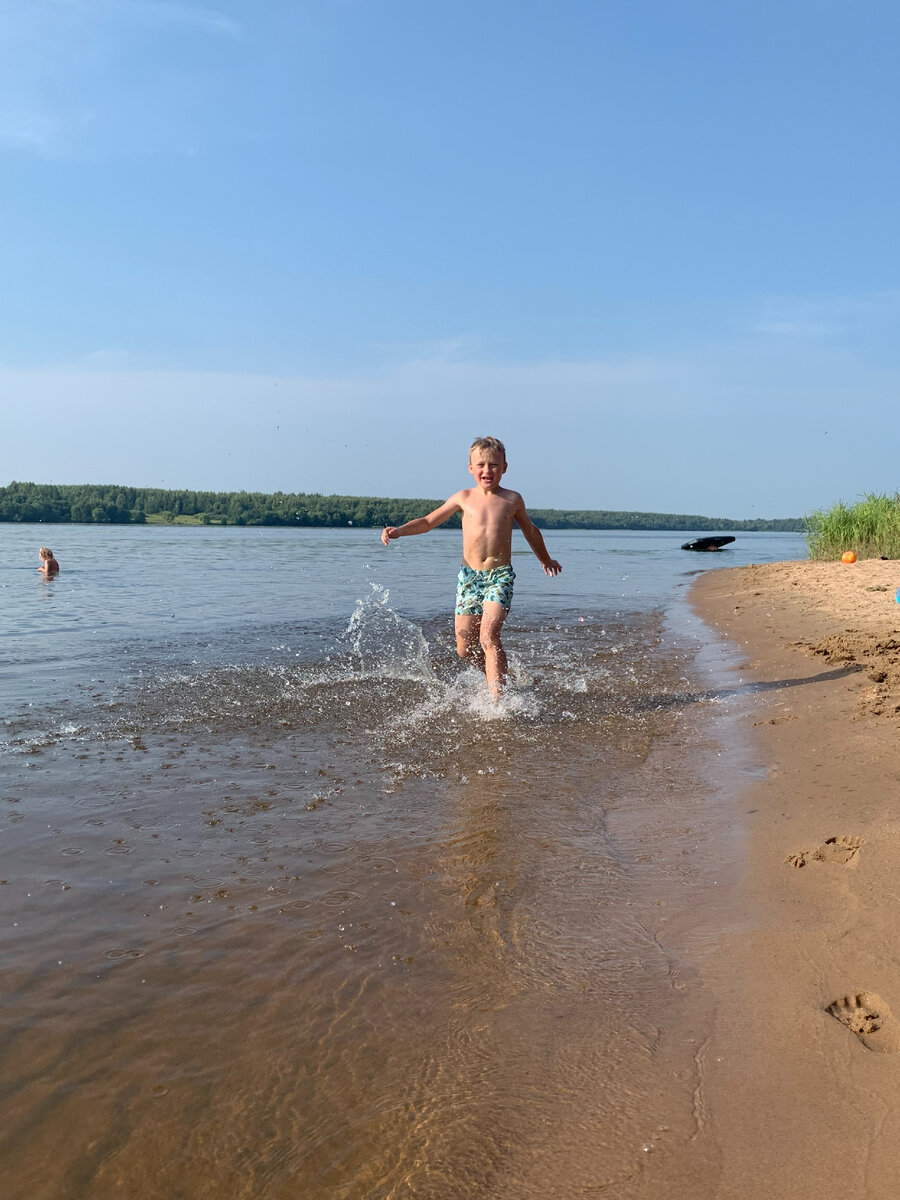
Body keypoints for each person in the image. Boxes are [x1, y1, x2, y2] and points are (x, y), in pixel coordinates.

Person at [381, 436, 562, 699]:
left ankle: (497, 701)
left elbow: (531, 532)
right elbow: (428, 521)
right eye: (481, 465)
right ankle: (501, 677)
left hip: (499, 576)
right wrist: (398, 531)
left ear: (505, 467)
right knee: (464, 649)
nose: (487, 471)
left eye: (494, 465)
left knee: (488, 636)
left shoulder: (512, 500)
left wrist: (545, 560)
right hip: (469, 578)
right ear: (470, 468)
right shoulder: (462, 498)